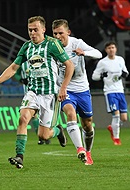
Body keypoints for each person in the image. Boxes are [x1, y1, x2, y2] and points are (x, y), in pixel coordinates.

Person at [0, 16, 74, 169]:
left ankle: (58, 131)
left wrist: (63, 87)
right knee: (23, 118)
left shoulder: (52, 45)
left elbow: (69, 65)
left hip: (50, 95)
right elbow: (14, 67)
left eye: (35, 30)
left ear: (43, 30)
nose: (32, 33)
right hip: (32, 92)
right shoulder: (27, 47)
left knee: (43, 135)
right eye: (30, 30)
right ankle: (19, 156)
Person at [52, 19, 102, 165]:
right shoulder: (52, 47)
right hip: (65, 89)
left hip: (82, 89)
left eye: (60, 33)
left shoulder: (76, 43)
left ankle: (88, 152)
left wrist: (84, 53)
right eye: (55, 33)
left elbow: (98, 53)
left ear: (68, 32)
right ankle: (79, 149)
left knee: (87, 124)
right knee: (70, 113)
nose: (57, 36)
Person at [92, 41, 129, 146]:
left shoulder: (120, 60)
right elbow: (94, 76)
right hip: (110, 91)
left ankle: (113, 128)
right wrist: (102, 75)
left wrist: (125, 74)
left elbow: (125, 71)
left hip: (120, 90)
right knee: (116, 116)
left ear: (116, 49)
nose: (111, 50)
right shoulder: (103, 62)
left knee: (124, 118)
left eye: (113, 47)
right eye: (109, 48)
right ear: (106, 50)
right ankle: (116, 139)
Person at [14, 62, 51, 145]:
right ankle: (41, 138)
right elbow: (16, 73)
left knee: (43, 116)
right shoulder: (23, 63)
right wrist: (21, 79)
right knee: (34, 116)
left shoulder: (41, 61)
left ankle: (56, 131)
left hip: (42, 93)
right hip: (29, 94)